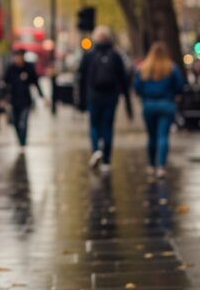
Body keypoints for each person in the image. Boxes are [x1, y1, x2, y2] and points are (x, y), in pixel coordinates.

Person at [77, 26, 133, 173]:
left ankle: (96, 149)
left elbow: (81, 79)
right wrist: (128, 105)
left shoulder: (89, 55)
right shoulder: (115, 55)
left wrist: (81, 102)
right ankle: (107, 159)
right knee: (108, 126)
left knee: (94, 125)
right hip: (111, 97)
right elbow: (124, 80)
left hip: (93, 96)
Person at [132, 42, 185, 178]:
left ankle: (151, 164)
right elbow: (179, 86)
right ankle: (161, 166)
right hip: (166, 104)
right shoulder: (171, 68)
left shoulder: (143, 68)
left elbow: (136, 86)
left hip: (149, 105)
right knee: (163, 136)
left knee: (151, 136)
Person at [3, 49, 44, 148]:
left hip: (26, 101)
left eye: (20, 57)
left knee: (23, 121)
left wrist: (42, 96)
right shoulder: (11, 69)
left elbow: (35, 82)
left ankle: (23, 141)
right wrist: (3, 98)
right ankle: (20, 140)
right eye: (16, 57)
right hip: (14, 100)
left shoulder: (29, 68)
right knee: (16, 122)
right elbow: (4, 83)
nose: (18, 59)